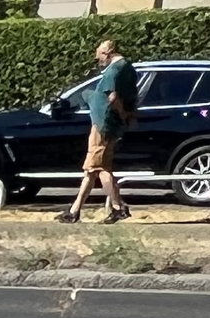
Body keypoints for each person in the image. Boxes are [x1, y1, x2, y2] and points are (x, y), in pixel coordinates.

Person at [60, 38, 136, 223]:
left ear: (107, 53)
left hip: (103, 123)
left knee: (97, 168)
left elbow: (113, 97)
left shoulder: (114, 70)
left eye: (99, 57)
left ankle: (118, 207)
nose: (99, 61)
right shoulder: (128, 68)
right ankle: (74, 210)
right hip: (109, 124)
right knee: (93, 169)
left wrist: (123, 114)